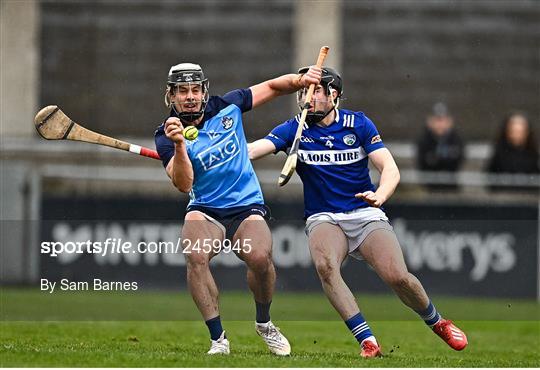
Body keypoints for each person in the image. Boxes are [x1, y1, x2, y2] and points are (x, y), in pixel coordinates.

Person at [248, 67, 468, 358]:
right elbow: (251, 151)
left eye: (314, 92)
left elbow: (389, 168)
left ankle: (436, 321)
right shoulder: (293, 129)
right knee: (326, 267)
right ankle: (367, 341)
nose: (306, 98)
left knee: (398, 276)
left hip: (364, 213)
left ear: (333, 95)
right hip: (323, 216)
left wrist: (381, 194)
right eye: (302, 92)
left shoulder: (358, 124)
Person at [154, 62, 321, 355]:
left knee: (260, 258)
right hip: (205, 207)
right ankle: (218, 339)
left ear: (204, 91)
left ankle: (264, 323)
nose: (190, 96)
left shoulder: (227, 106)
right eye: (182, 91)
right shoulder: (165, 134)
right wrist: (179, 146)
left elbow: (270, 87)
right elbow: (183, 183)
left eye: (195, 89)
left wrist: (299, 80)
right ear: (171, 95)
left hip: (245, 204)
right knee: (195, 256)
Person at [416, 102, 464, 190]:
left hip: (451, 187)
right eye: (437, 120)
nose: (440, 124)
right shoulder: (424, 140)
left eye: (442, 120)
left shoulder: (456, 140)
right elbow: (423, 163)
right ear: (430, 121)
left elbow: (456, 162)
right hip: (428, 187)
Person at [487, 111, 539, 176]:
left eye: (520, 132)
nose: (517, 135)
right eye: (514, 131)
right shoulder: (499, 154)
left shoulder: (532, 154)